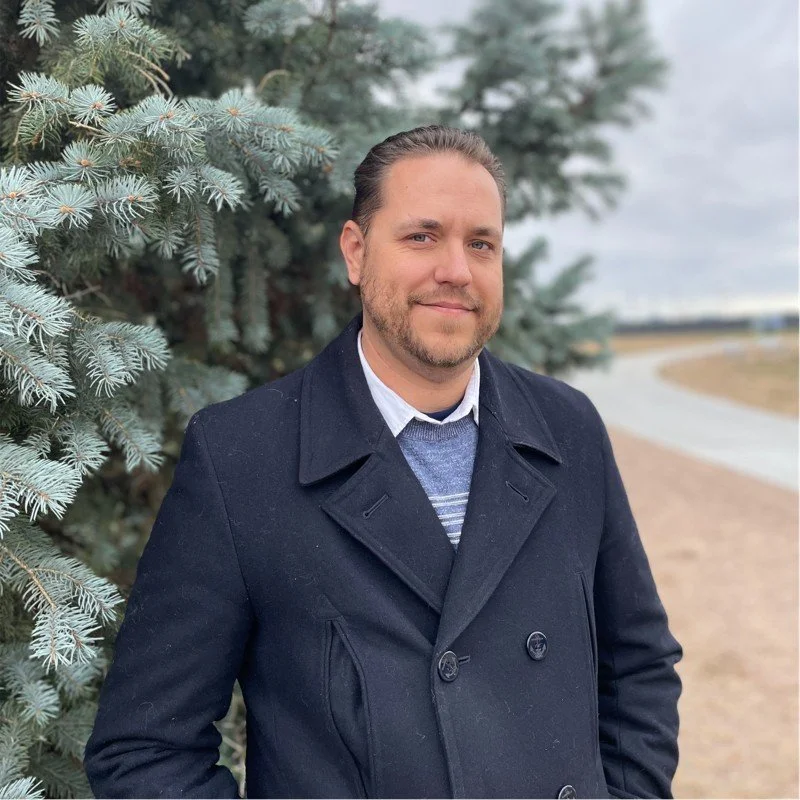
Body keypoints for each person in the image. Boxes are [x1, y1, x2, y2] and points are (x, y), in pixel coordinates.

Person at [83, 124, 683, 799]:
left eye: (481, 243)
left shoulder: (568, 429)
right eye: (422, 236)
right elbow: (145, 749)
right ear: (356, 251)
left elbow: (640, 668)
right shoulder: (241, 458)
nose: (456, 270)